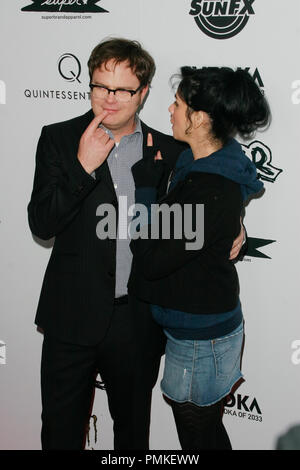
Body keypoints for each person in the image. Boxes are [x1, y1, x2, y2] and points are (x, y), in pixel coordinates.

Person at [28, 38, 244, 450]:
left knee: (133, 436)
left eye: (122, 90)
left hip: (138, 321)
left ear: (143, 93)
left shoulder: (172, 149)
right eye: (99, 86)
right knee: (59, 433)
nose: (108, 99)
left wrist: (236, 222)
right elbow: (42, 223)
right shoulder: (57, 139)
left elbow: (215, 187)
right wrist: (81, 167)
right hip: (69, 316)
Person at [129, 66, 270, 450]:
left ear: (200, 117)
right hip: (202, 327)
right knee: (204, 434)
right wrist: (234, 220)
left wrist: (143, 188)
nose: (169, 110)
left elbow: (150, 260)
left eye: (177, 104)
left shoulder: (209, 186)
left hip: (198, 339)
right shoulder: (213, 159)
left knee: (197, 439)